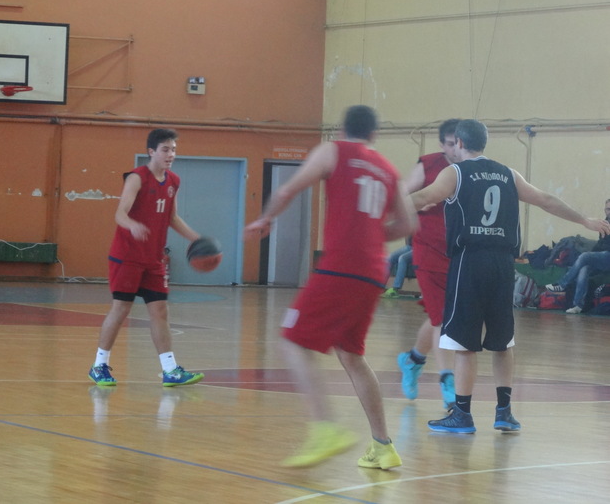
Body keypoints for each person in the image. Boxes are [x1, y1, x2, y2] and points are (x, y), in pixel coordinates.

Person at [244, 105, 419, 469]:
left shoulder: (333, 151)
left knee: (291, 341)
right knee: (352, 356)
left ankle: (325, 429)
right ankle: (383, 446)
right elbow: (408, 225)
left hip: (342, 266)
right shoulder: (389, 170)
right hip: (374, 271)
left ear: (342, 130)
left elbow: (289, 188)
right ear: (374, 134)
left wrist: (266, 218)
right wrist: (372, 235)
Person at [410, 119, 610, 434]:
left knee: (464, 344)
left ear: (459, 143)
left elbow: (422, 198)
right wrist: (583, 219)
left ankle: (462, 415)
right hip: (503, 264)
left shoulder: (455, 173)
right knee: (503, 341)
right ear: (484, 142)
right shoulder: (508, 174)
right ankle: (504, 412)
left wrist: (385, 210)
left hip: (470, 262)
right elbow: (546, 200)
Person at [89, 128, 205, 388]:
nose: (170, 154)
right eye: (165, 149)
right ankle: (99, 365)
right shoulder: (137, 178)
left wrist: (196, 238)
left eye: (173, 150)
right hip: (127, 257)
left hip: (154, 259)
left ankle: (170, 370)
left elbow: (172, 218)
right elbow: (120, 214)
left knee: (160, 310)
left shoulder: (173, 181)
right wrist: (132, 225)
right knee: (121, 308)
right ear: (151, 152)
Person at [397, 119, 459, 409]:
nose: (455, 148)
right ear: (441, 145)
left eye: (459, 143)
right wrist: (419, 202)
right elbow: (400, 194)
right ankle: (448, 381)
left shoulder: (472, 169)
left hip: (458, 252)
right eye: (450, 143)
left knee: (441, 316)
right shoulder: (429, 165)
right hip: (428, 249)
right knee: (442, 319)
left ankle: (413, 360)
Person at [545, 198, 610, 314]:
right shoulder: (604, 224)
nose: (609, 212)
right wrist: (593, 254)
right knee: (584, 268)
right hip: (603, 257)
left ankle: (562, 284)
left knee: (585, 256)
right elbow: (600, 245)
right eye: (607, 209)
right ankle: (578, 305)